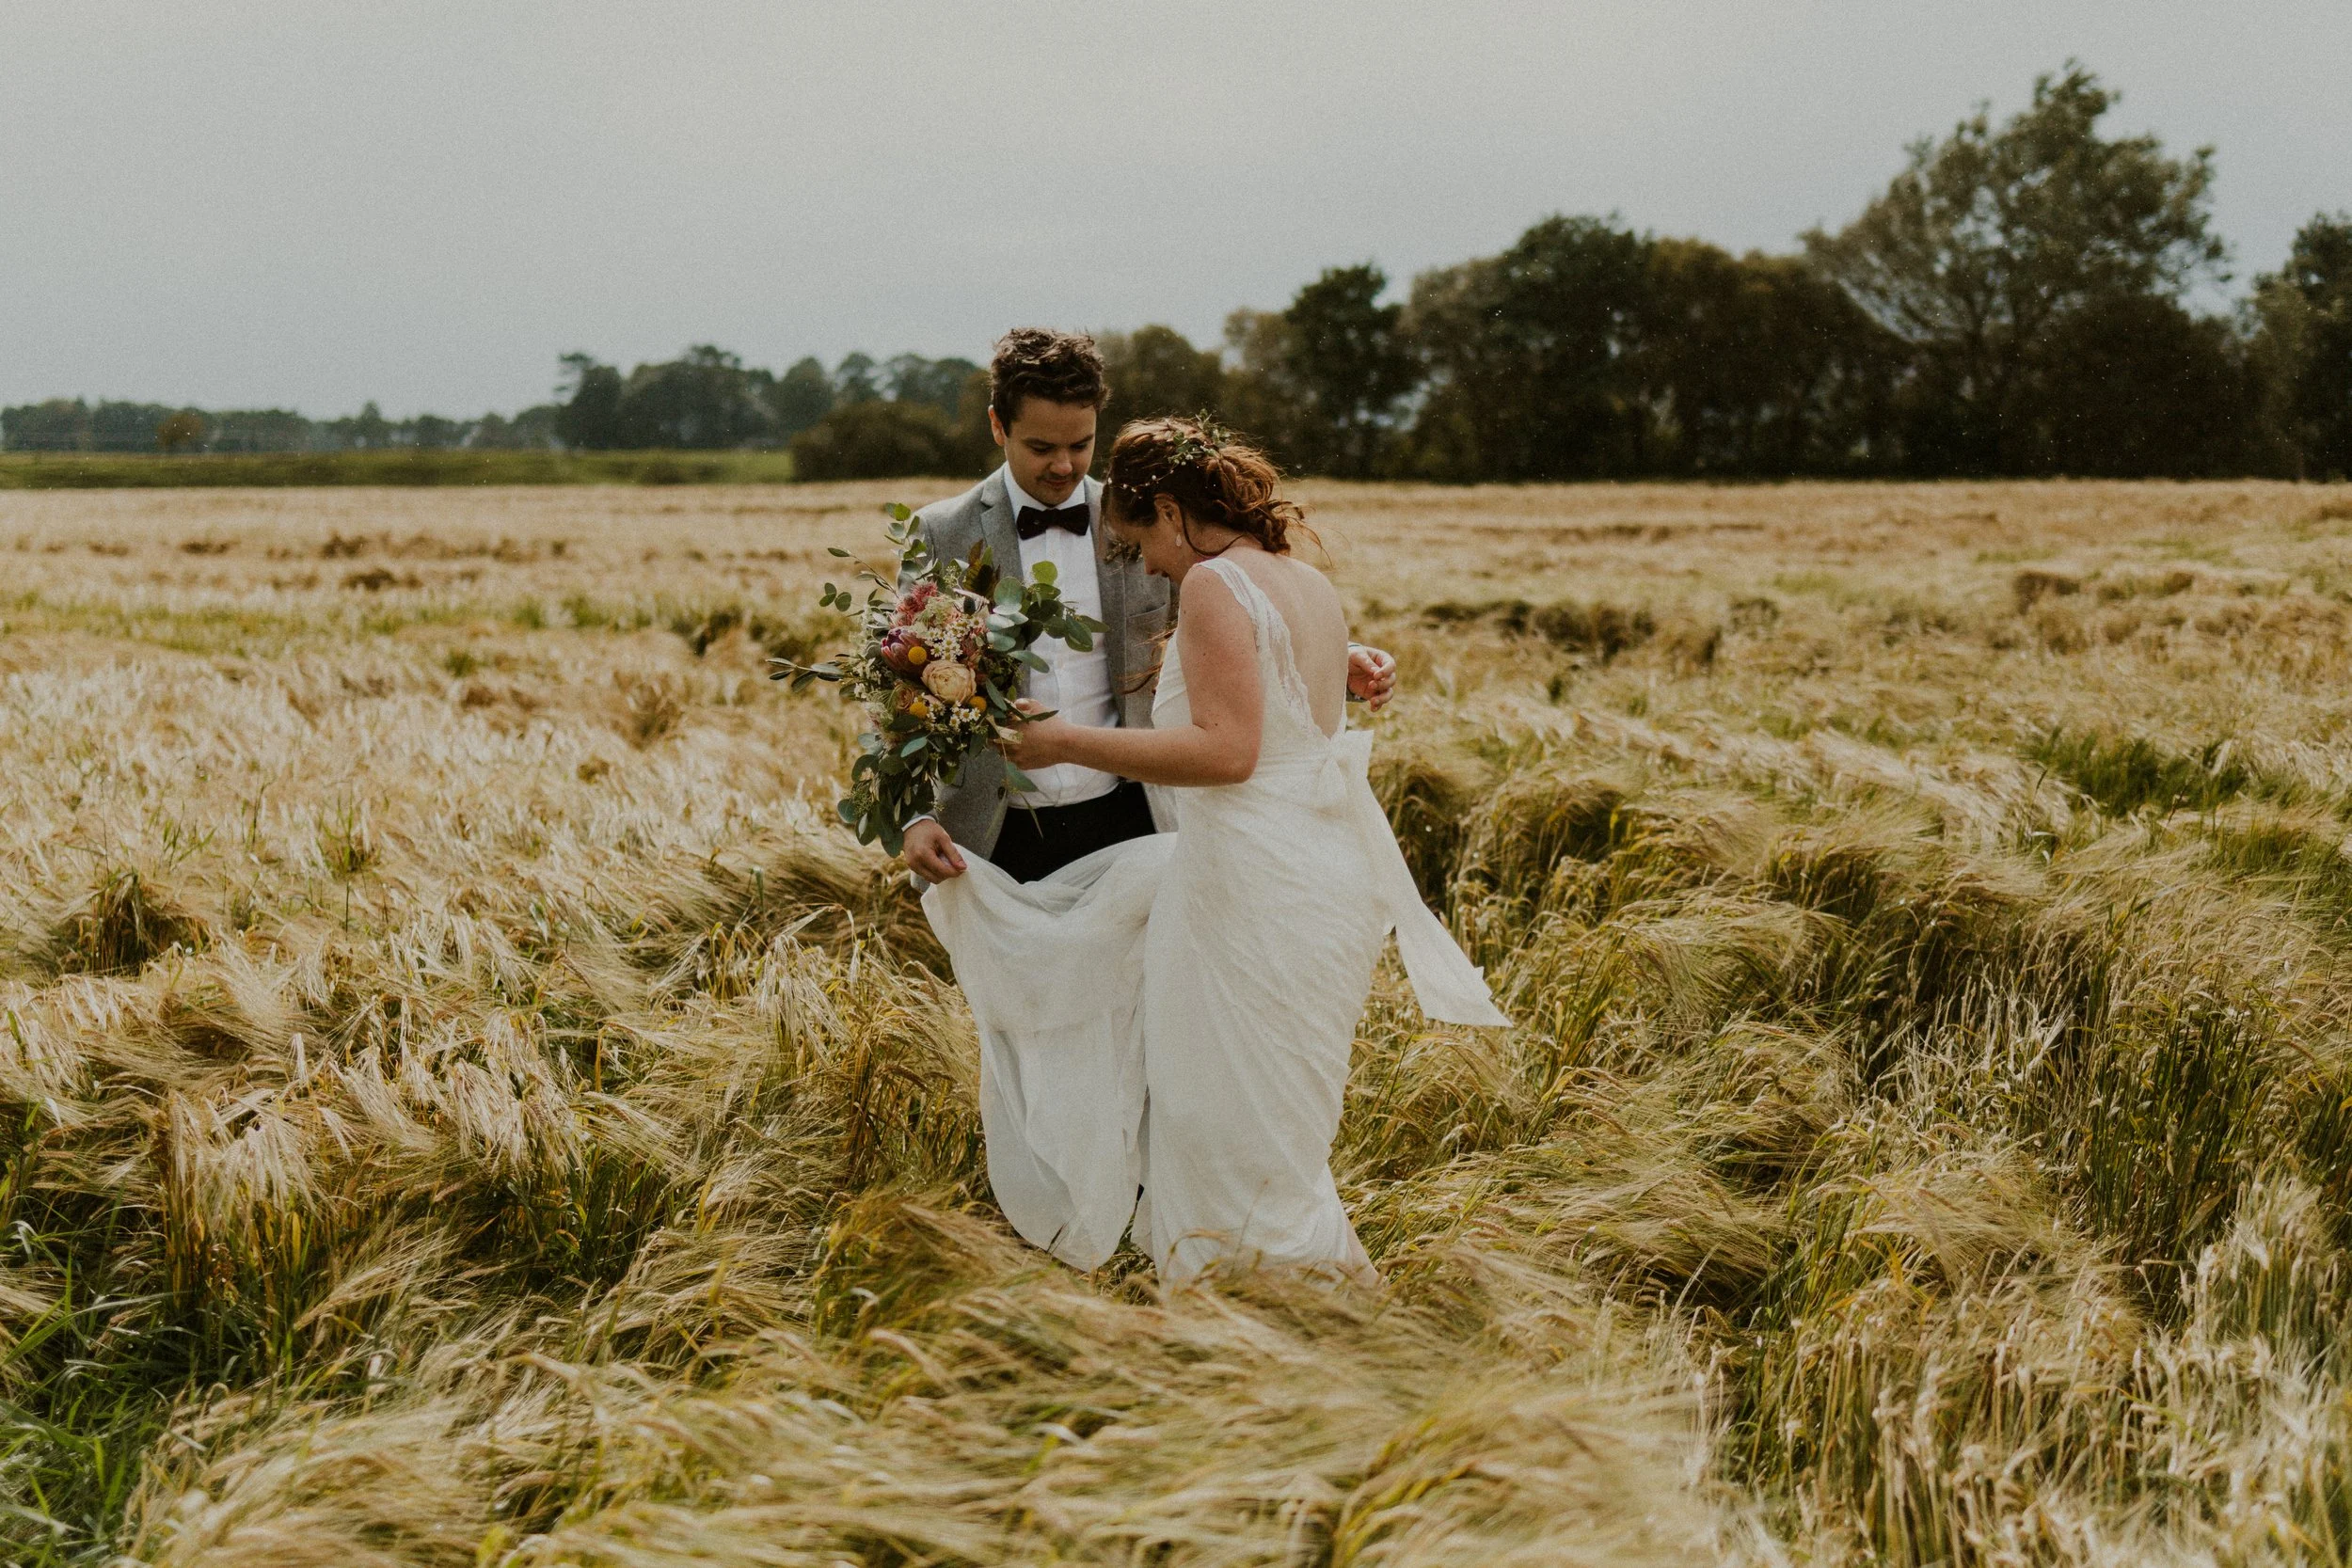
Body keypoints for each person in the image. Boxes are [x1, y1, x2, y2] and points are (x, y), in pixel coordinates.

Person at [921, 416, 1506, 1285]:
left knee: (1218, 1113)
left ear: (1169, 507)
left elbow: (1228, 753)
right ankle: (1298, 1304)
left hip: (1253, 887)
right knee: (1266, 1120)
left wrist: (1066, 744)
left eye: (1146, 539)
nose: (1149, 565)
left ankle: (1248, 1313)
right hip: (1318, 875)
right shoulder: (1303, 580)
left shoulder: (1214, 587)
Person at [898, 328, 1397, 885]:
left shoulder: (1145, 516)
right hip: (987, 835)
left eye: (1081, 444)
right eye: (1042, 448)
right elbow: (896, 691)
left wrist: (1333, 661)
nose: (1065, 465)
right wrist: (915, 815)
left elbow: (1234, 612)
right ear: (998, 426)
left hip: (1139, 818)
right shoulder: (941, 532)